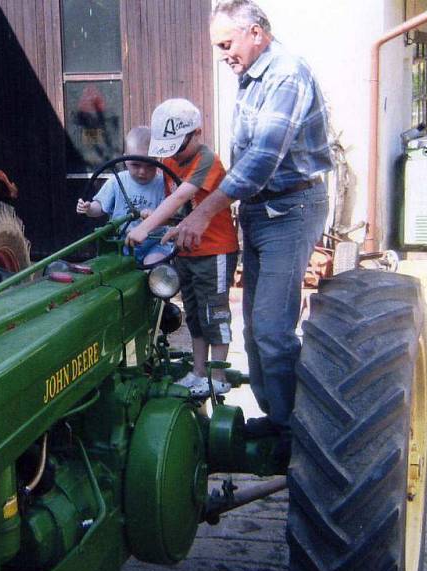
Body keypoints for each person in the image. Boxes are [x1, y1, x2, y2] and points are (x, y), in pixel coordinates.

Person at [163, 0, 332, 453]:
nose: (223, 54)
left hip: (290, 208)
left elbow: (260, 160)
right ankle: (278, 418)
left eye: (227, 43)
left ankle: (302, 437)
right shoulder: (250, 78)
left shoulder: (286, 74)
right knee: (257, 331)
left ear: (256, 32)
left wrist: (202, 211)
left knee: (273, 330)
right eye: (219, 46)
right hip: (260, 211)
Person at [127, 98, 238, 397]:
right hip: (186, 251)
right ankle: (197, 372)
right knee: (194, 314)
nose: (173, 152)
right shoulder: (169, 161)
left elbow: (180, 197)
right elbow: (176, 208)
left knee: (214, 314)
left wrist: (144, 229)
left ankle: (218, 376)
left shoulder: (207, 161)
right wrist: (155, 218)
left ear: (197, 133)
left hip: (213, 250)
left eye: (178, 144)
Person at [76, 126, 169, 264]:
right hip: (121, 243)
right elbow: (100, 208)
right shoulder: (117, 181)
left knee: (153, 263)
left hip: (155, 244)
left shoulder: (163, 184)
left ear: (158, 159)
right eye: (136, 165)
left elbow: (171, 217)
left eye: (150, 165)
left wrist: (155, 215)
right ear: (125, 159)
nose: (142, 171)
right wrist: (89, 208)